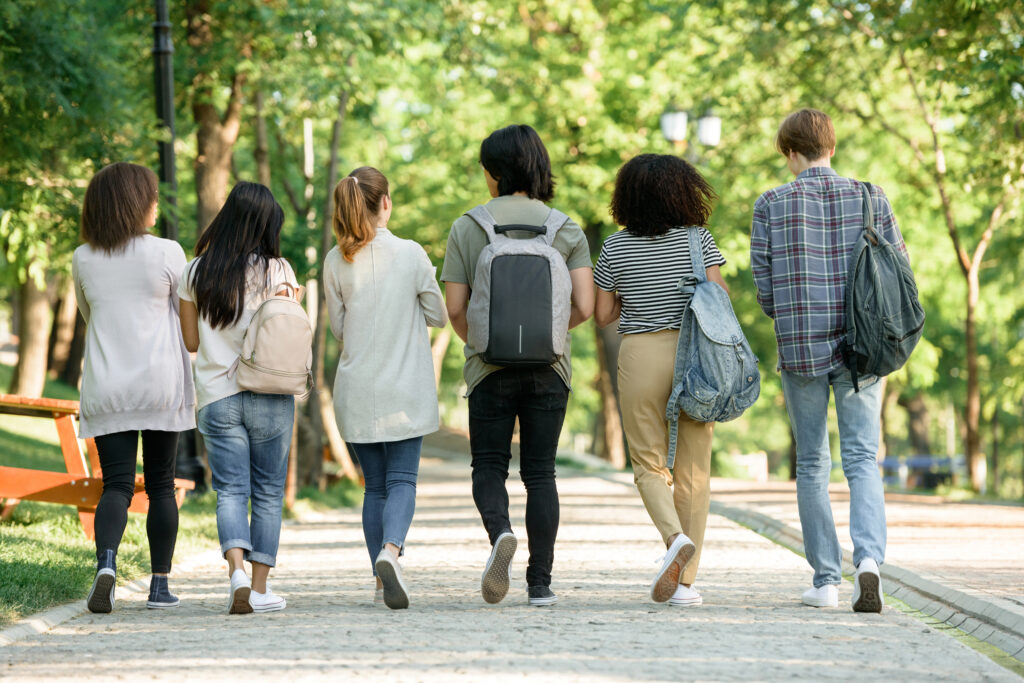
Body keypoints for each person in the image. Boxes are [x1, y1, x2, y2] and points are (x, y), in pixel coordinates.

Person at [750, 108, 907, 613]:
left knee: (813, 463)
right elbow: (899, 265)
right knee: (863, 459)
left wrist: (794, 314)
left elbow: (764, 285)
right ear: (831, 148)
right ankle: (869, 563)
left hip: (802, 348)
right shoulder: (870, 196)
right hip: (865, 349)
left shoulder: (770, 204)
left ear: (791, 154)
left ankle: (825, 581)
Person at [441, 124, 594, 607]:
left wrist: (486, 343)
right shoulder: (565, 227)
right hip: (551, 369)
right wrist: (548, 336)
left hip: (489, 370)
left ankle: (501, 533)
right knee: (541, 472)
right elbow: (586, 306)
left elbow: (455, 308)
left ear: (493, 173)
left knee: (489, 464)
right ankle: (540, 584)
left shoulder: (469, 225)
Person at [593, 154, 728, 607]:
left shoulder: (614, 247)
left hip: (641, 353)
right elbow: (719, 297)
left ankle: (673, 540)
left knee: (649, 463)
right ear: (683, 191)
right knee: (694, 470)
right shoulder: (699, 239)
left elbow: (604, 314)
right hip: (695, 355)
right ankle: (685, 584)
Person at [73, 162, 196, 613]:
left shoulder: (83, 257)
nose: (157, 205)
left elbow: (90, 315)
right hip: (160, 385)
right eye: (152, 197)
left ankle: (106, 563)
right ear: (135, 202)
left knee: (117, 485)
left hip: (108, 387)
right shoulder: (168, 252)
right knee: (161, 484)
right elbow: (188, 319)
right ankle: (159, 586)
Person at [324, 167, 448, 610]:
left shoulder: (336, 261)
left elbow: (339, 328)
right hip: (404, 389)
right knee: (402, 481)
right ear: (385, 204)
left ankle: (379, 581)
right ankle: (391, 552)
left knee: (374, 487)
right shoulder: (412, 253)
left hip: (357, 388)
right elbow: (438, 314)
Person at [178, 181, 299, 615]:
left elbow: (191, 342)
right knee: (267, 492)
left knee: (230, 490)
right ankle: (262, 589)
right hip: (270, 393)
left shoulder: (195, 272)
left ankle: (236, 575)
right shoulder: (280, 271)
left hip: (217, 395)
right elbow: (289, 332)